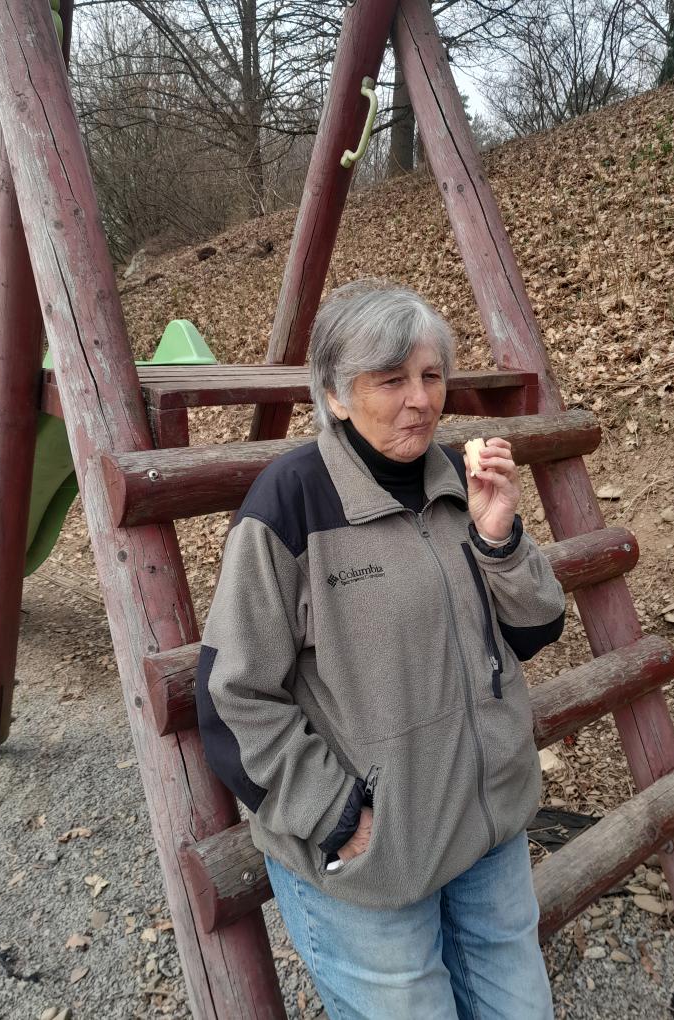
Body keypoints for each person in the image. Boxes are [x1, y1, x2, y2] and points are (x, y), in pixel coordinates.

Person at [196, 281, 566, 1019]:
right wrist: (338, 816)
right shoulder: (291, 503)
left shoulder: (459, 478)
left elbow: (536, 631)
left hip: (488, 829)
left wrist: (498, 540)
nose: (420, 400)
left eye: (431, 376)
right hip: (375, 856)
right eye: (390, 380)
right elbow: (232, 694)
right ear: (336, 396)